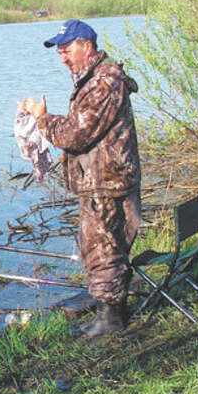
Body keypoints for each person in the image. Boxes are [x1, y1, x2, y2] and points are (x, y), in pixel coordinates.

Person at [23, 19, 141, 337]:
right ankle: (110, 310)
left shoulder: (103, 82)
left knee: (104, 250)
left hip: (107, 182)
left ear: (86, 47)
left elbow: (75, 134)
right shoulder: (94, 79)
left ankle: (111, 321)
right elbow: (82, 127)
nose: (62, 58)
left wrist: (42, 119)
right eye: (59, 52)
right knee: (103, 247)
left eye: (66, 50)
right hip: (105, 179)